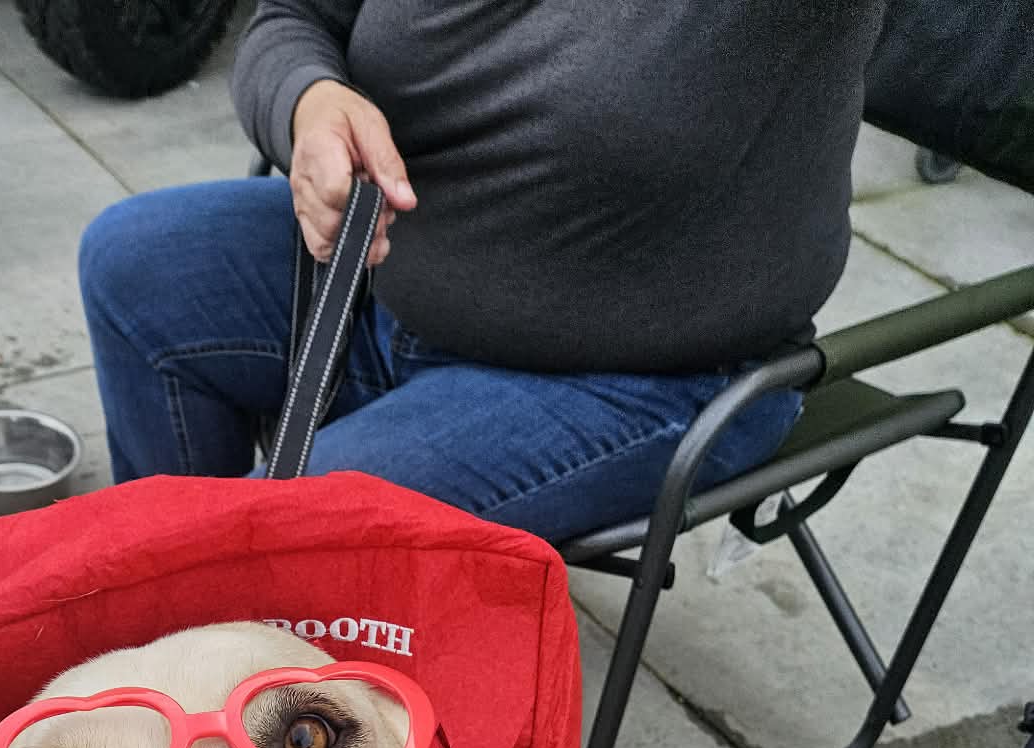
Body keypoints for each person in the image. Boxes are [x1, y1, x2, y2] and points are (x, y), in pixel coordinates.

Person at [78, 0, 889, 545]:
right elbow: (295, 18)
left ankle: (223, 640)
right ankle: (178, 628)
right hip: (391, 276)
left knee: (266, 536)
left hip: (645, 374)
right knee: (134, 264)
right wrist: (308, 102)